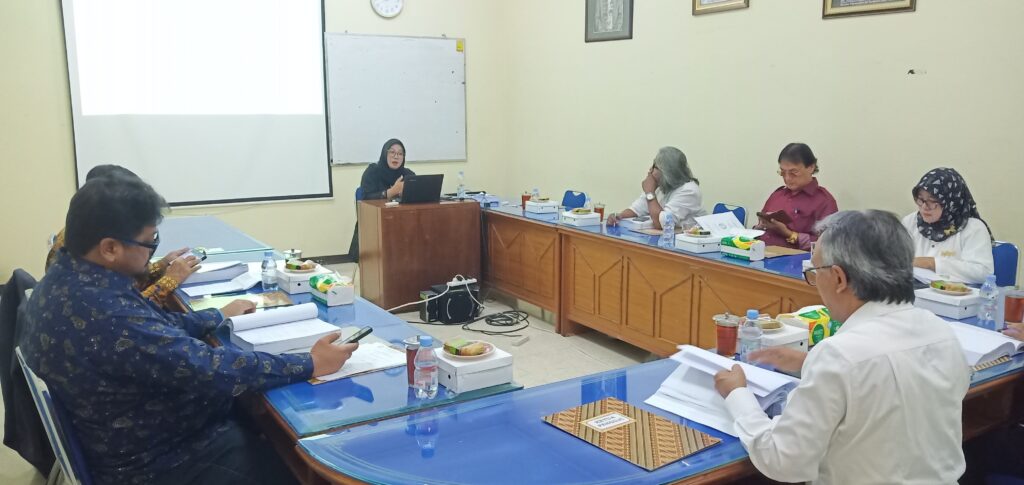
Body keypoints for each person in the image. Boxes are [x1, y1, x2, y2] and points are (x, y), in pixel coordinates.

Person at [20, 177, 359, 485]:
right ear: (110, 248)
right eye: (149, 242)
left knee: (260, 416)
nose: (153, 254)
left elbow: (153, 329)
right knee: (296, 458)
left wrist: (215, 316)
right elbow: (210, 368)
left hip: (124, 434)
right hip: (164, 460)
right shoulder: (108, 314)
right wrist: (311, 363)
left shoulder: (66, 278)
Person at [713, 210, 970, 483]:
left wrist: (738, 395)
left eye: (815, 272)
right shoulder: (941, 333)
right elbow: (892, 387)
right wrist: (809, 364)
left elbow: (783, 461)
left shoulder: (840, 355)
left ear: (838, 278)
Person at [45, 164, 201, 307]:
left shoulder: (83, 232)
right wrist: (169, 281)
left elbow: (129, 284)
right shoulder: (95, 298)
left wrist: (161, 266)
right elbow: (128, 307)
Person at [902, 168, 994, 284]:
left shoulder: (973, 228)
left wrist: (932, 263)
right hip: (911, 290)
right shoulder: (910, 221)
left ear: (951, 202)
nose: (924, 207)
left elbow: (983, 273)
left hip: (956, 292)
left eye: (932, 200)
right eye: (920, 199)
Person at [754, 143, 838, 250]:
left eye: (794, 172)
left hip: (793, 258)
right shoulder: (778, 195)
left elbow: (828, 244)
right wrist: (760, 227)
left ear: (811, 167)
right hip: (760, 252)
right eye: (783, 172)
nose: (787, 178)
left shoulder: (824, 201)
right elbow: (760, 229)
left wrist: (788, 234)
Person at [605, 146, 707, 229]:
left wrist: (650, 192)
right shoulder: (661, 186)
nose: (650, 170)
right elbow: (637, 209)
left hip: (687, 244)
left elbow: (662, 223)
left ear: (667, 172)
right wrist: (619, 216)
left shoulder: (689, 191)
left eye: (655, 167)